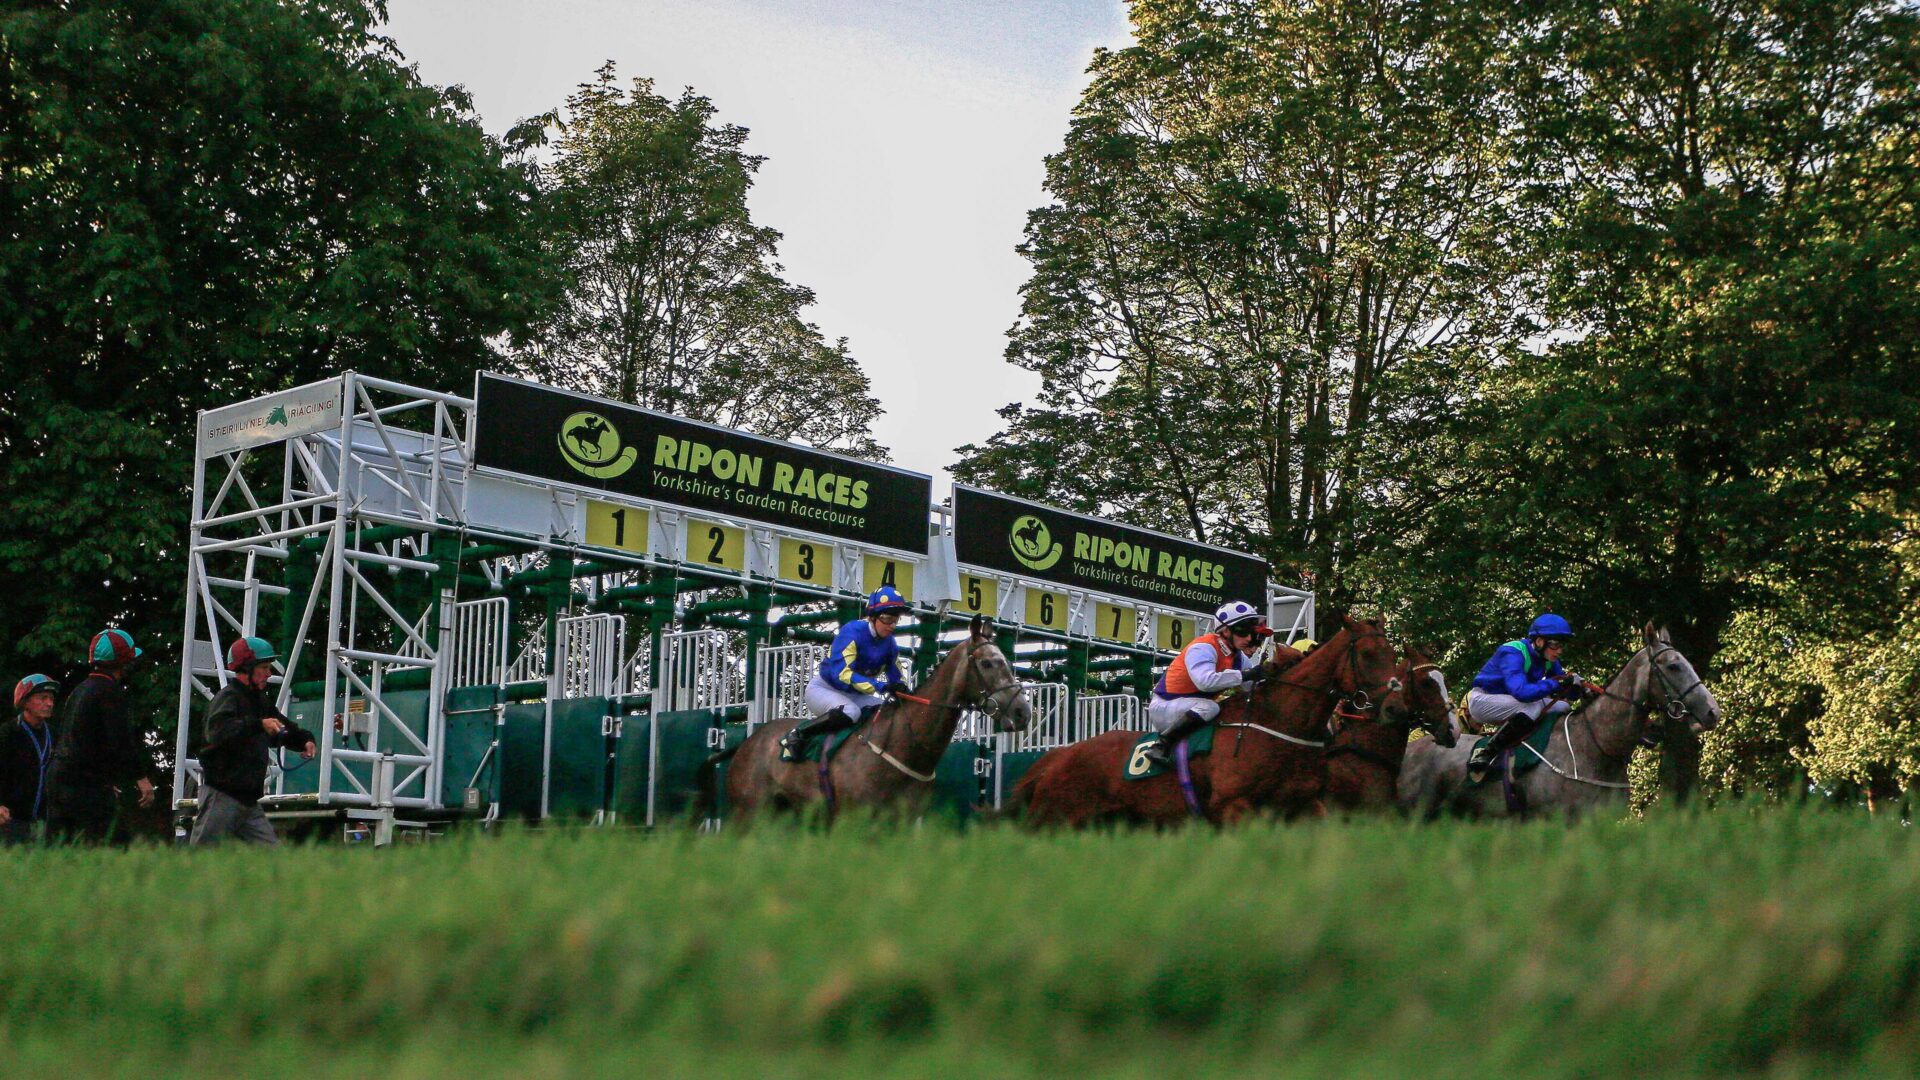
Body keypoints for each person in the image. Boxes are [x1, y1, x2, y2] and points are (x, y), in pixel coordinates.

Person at [191, 637, 316, 847]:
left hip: (248, 802)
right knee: (201, 858)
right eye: (264, 667)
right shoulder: (228, 697)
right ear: (246, 669)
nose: (269, 673)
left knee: (272, 860)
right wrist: (258, 725)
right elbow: (217, 732)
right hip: (222, 797)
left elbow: (281, 727)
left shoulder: (259, 701)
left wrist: (305, 740)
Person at [45, 629, 156, 845]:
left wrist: (104, 780)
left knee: (57, 848)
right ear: (125, 663)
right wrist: (141, 779)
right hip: (83, 783)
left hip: (59, 776)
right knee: (116, 843)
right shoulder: (110, 692)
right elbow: (120, 742)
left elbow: (78, 737)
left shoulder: (80, 690)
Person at [784, 586, 914, 758]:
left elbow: (896, 676)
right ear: (872, 617)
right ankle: (798, 734)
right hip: (824, 689)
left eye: (896, 620)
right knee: (851, 712)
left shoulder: (889, 644)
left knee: (887, 711)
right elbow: (841, 674)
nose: (892, 626)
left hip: (854, 695)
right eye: (888, 619)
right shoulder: (852, 631)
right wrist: (881, 686)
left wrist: (902, 689)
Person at [1144, 600, 1277, 766]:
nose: (1249, 639)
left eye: (1251, 633)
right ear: (1226, 631)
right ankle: (1162, 744)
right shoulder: (1203, 647)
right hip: (1165, 706)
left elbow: (1251, 688)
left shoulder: (1238, 658)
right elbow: (1205, 682)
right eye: (1243, 632)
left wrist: (1273, 677)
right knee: (1211, 707)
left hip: (1189, 706)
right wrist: (1247, 674)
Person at [1464, 613, 1588, 781]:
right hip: (1483, 700)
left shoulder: (1548, 658)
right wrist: (1558, 684)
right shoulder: (1512, 652)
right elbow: (1522, 692)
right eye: (1555, 645)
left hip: (1512, 702)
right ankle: (1487, 751)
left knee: (1562, 707)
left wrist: (1579, 688)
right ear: (1539, 641)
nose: (1559, 650)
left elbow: (1566, 694)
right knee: (1531, 706)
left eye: (1562, 645)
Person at [0, 675, 60, 844]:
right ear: (25, 701)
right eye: (43, 698)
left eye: (51, 699)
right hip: (10, 820)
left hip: (44, 822)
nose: (49, 703)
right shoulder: (8, 733)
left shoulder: (54, 735)